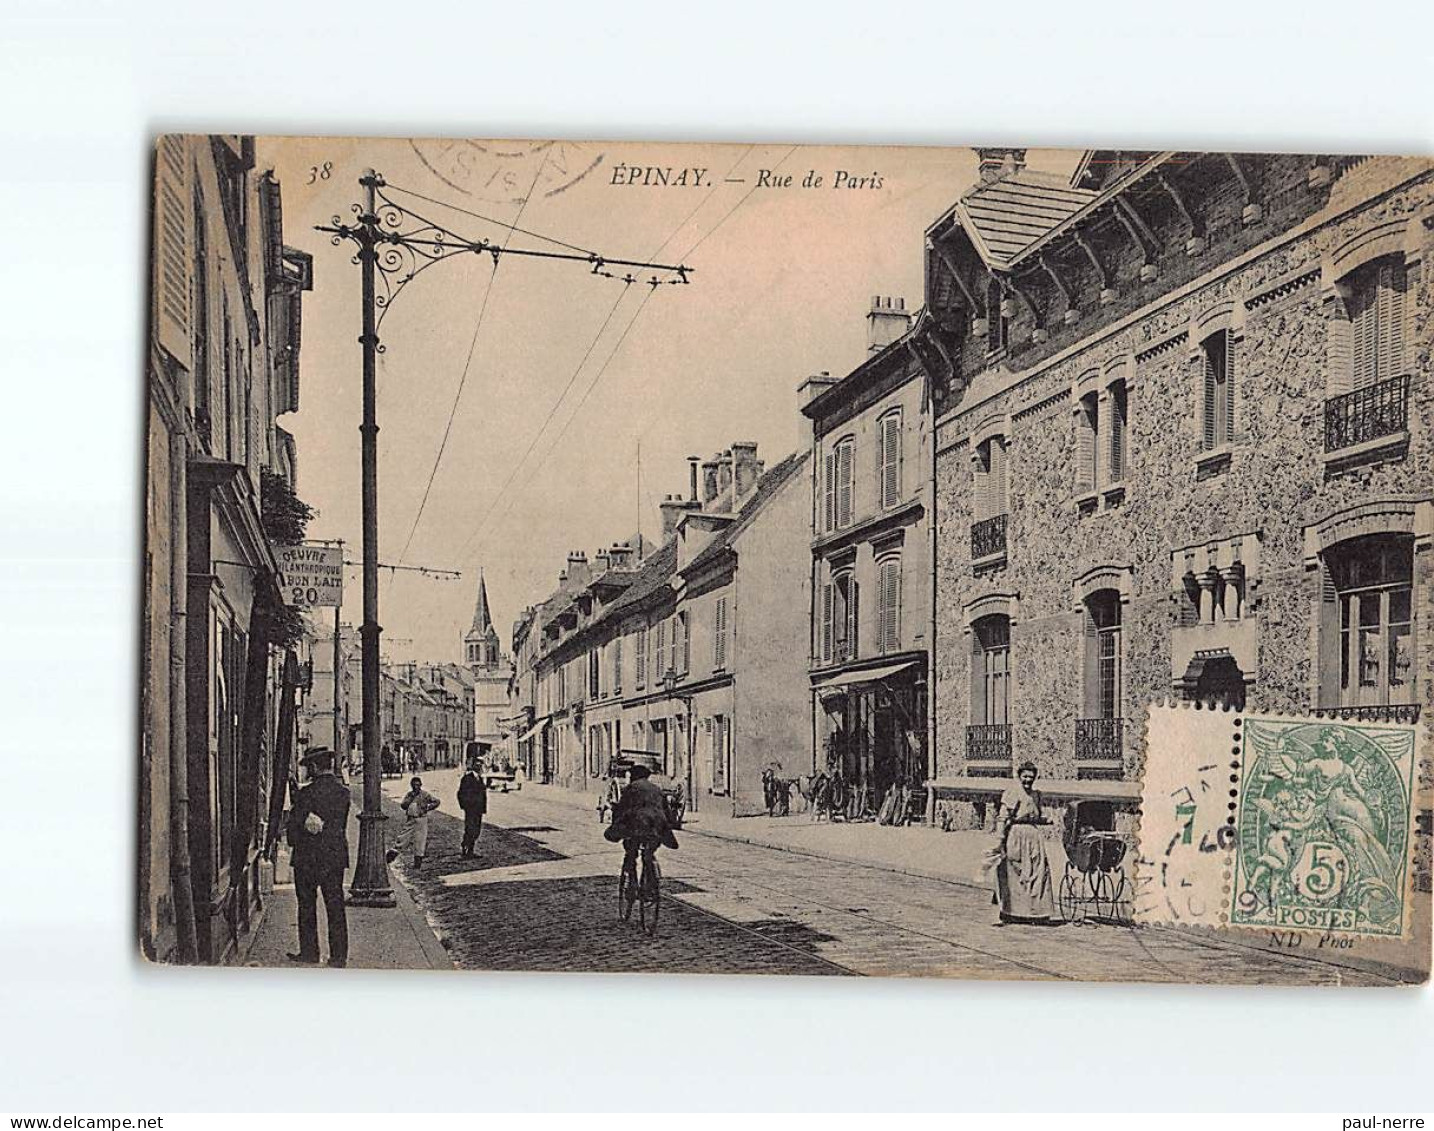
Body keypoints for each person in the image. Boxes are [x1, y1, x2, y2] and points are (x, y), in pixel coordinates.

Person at [285, 746, 350, 968]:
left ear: (313, 767)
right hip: (334, 858)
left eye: (307, 767)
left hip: (307, 859)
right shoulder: (344, 794)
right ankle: (338, 957)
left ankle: (310, 953)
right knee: (335, 906)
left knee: (306, 905)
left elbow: (293, 831)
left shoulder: (305, 794)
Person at [993, 760, 1057, 925]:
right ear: (1019, 776)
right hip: (1016, 836)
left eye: (1031, 777)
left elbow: (1035, 816)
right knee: (1018, 874)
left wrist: (1047, 820)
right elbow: (1002, 817)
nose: (1028, 780)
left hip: (1034, 837)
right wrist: (1000, 840)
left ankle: (1037, 912)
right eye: (1025, 777)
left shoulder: (1036, 795)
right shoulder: (1013, 793)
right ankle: (1013, 911)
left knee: (1039, 873)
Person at [604, 764, 679, 875]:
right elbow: (667, 813)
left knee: (630, 851)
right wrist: (668, 826)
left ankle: (630, 875)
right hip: (655, 828)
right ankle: (650, 876)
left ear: (634, 776)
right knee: (649, 853)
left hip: (636, 828)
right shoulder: (657, 789)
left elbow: (621, 809)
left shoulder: (630, 788)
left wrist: (616, 826)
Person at [394, 776, 440, 869]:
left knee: (420, 841)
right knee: (402, 837)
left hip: (421, 820)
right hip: (410, 820)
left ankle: (417, 864)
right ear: (411, 786)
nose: (416, 787)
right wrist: (410, 799)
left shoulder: (425, 794)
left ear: (421, 785)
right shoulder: (409, 795)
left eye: (418, 785)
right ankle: (392, 855)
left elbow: (437, 801)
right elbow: (403, 806)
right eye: (414, 785)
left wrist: (427, 808)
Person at [457, 759, 488, 858]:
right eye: (477, 765)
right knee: (470, 829)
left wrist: (483, 808)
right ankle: (466, 850)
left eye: (480, 765)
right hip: (470, 809)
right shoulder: (467, 778)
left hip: (478, 810)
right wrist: (466, 806)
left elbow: (483, 795)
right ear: (473, 766)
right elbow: (460, 793)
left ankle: (471, 850)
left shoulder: (480, 778)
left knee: (477, 830)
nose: (479, 767)